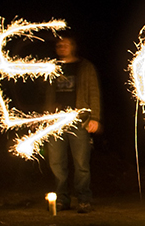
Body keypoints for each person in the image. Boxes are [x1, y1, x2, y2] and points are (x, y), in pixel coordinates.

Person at [43, 35, 101, 213]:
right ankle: (62, 199)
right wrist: (46, 116)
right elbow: (46, 95)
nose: (61, 47)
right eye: (59, 45)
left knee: (81, 163)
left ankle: (84, 199)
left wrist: (95, 118)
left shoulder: (85, 67)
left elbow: (93, 92)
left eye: (65, 44)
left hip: (79, 121)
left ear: (73, 46)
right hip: (56, 122)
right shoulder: (52, 68)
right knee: (56, 163)